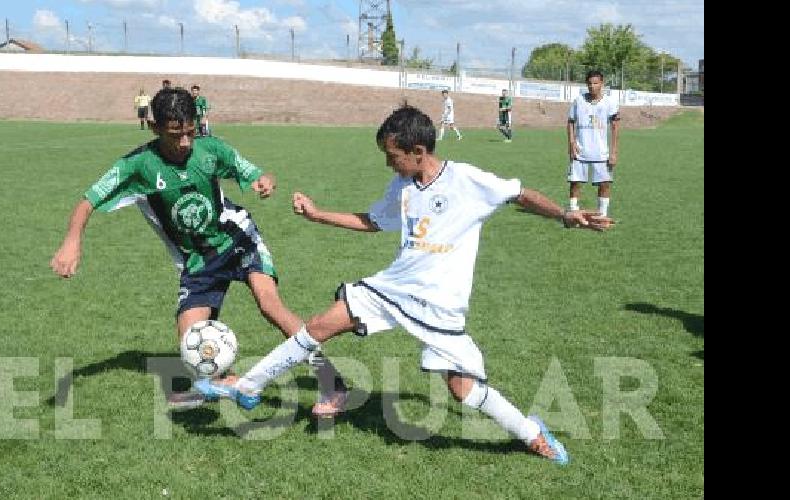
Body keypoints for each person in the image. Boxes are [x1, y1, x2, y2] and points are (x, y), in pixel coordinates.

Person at [200, 106, 613, 464]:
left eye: (393, 156)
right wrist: (318, 215)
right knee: (321, 325)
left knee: (463, 390)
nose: (388, 164)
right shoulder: (401, 186)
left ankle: (532, 433)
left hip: (439, 306)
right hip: (393, 288)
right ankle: (249, 387)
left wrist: (564, 214)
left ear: (418, 152)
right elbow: (372, 221)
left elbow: (519, 194)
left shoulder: (466, 180)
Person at [50, 88, 349, 414]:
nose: (185, 143)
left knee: (271, 306)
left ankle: (332, 383)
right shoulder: (138, 165)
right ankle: (226, 383)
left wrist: (264, 182)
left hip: (237, 239)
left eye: (190, 132)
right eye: (174, 134)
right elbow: (88, 200)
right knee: (190, 338)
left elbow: (256, 173)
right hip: (198, 261)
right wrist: (72, 240)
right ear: (155, 128)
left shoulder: (211, 149)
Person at [567, 70, 620, 217]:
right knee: (575, 183)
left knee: (604, 184)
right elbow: (570, 122)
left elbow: (615, 127)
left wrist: (614, 152)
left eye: (595, 83)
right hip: (580, 150)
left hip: (601, 152)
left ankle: (602, 215)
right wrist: (572, 143)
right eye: (589, 83)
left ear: (602, 84)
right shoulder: (579, 100)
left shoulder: (610, 102)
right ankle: (573, 214)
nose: (592, 86)